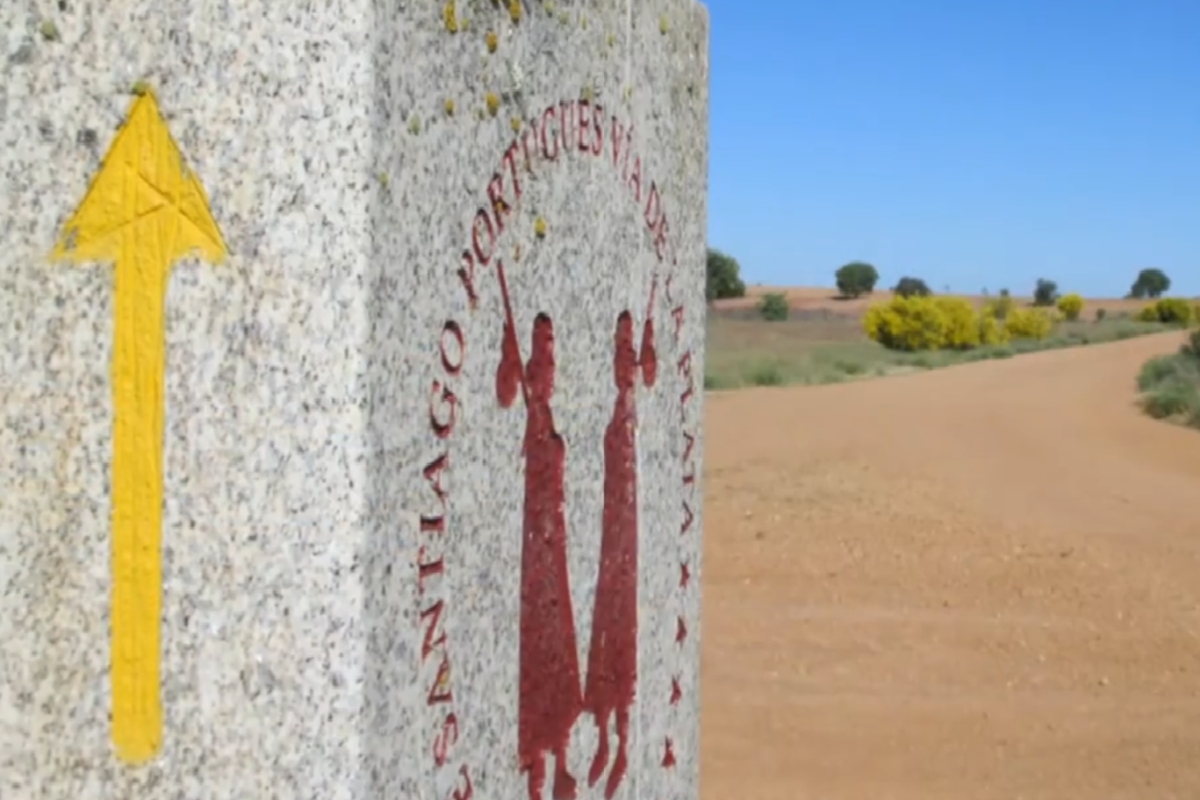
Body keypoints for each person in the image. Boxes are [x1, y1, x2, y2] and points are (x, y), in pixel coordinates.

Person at [498, 312, 583, 800]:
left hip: (555, 550)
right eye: (540, 357)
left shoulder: (546, 415)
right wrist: (509, 362)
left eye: (551, 359)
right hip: (537, 552)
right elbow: (504, 393)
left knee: (560, 653)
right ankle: (536, 771)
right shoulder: (531, 410)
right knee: (540, 649)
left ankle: (563, 759)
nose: (547, 369)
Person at [583, 310, 657, 799]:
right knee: (604, 636)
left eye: (628, 355)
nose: (622, 364)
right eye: (617, 354)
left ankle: (624, 742)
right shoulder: (614, 421)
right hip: (611, 544)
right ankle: (603, 740)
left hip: (625, 546)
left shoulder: (628, 422)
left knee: (622, 640)